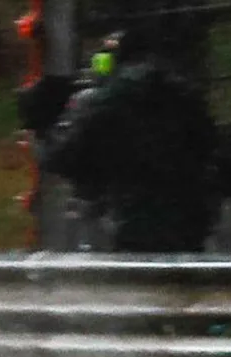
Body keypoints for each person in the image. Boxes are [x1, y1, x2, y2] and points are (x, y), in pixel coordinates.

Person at [27, 29, 220, 251]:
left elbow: (61, 155)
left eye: (102, 62)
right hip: (191, 216)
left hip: (129, 219)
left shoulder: (105, 101)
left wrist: (41, 130)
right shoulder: (183, 93)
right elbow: (208, 142)